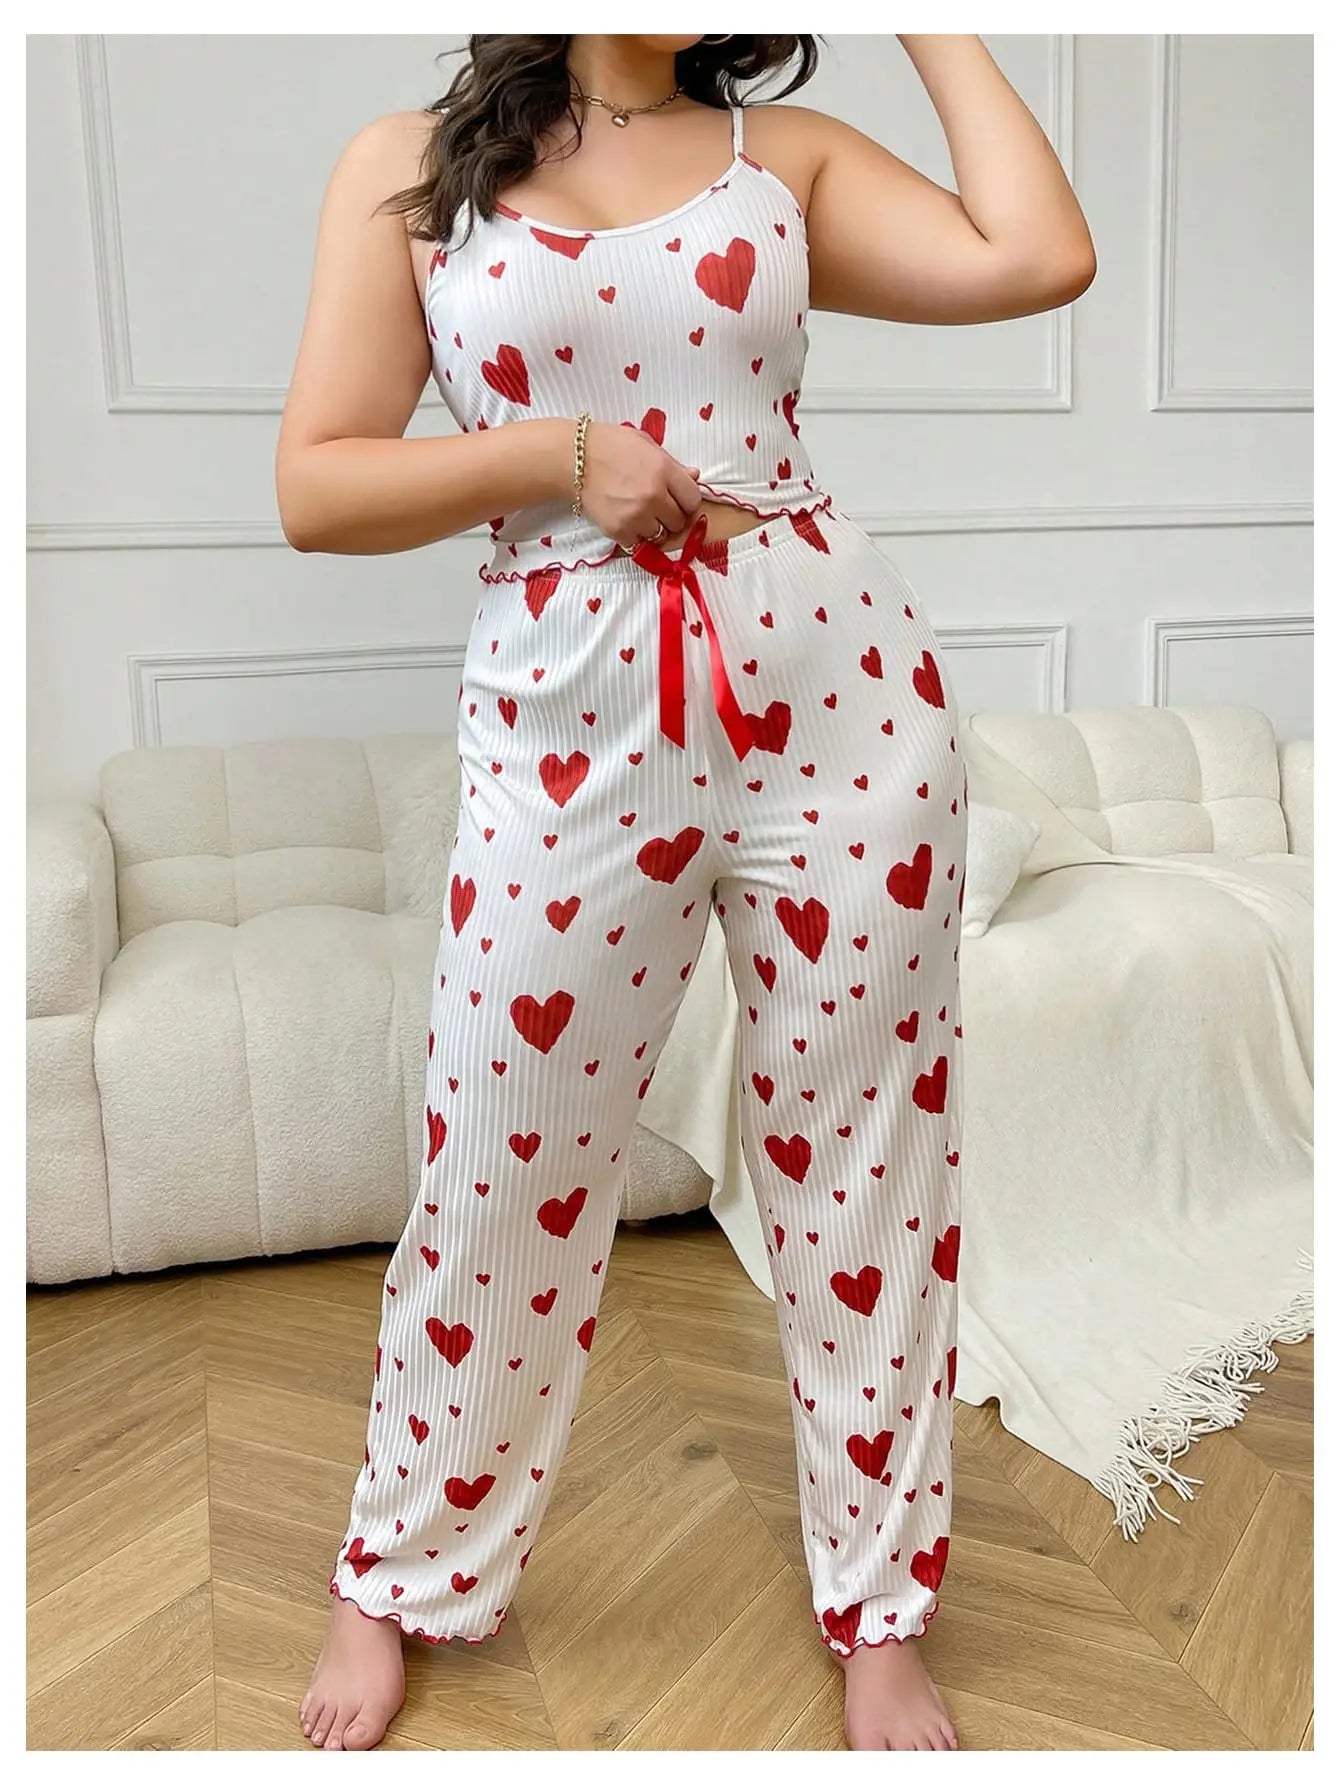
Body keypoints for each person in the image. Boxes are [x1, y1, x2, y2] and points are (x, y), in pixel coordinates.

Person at [276, 32, 1095, 1754]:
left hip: (844, 716)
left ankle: (882, 1605)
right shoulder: (409, 169)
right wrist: (560, 454)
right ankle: (398, 1569)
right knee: (498, 1160)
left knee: (869, 1172)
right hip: (567, 727)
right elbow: (319, 484)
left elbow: (1039, 254)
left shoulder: (776, 158)